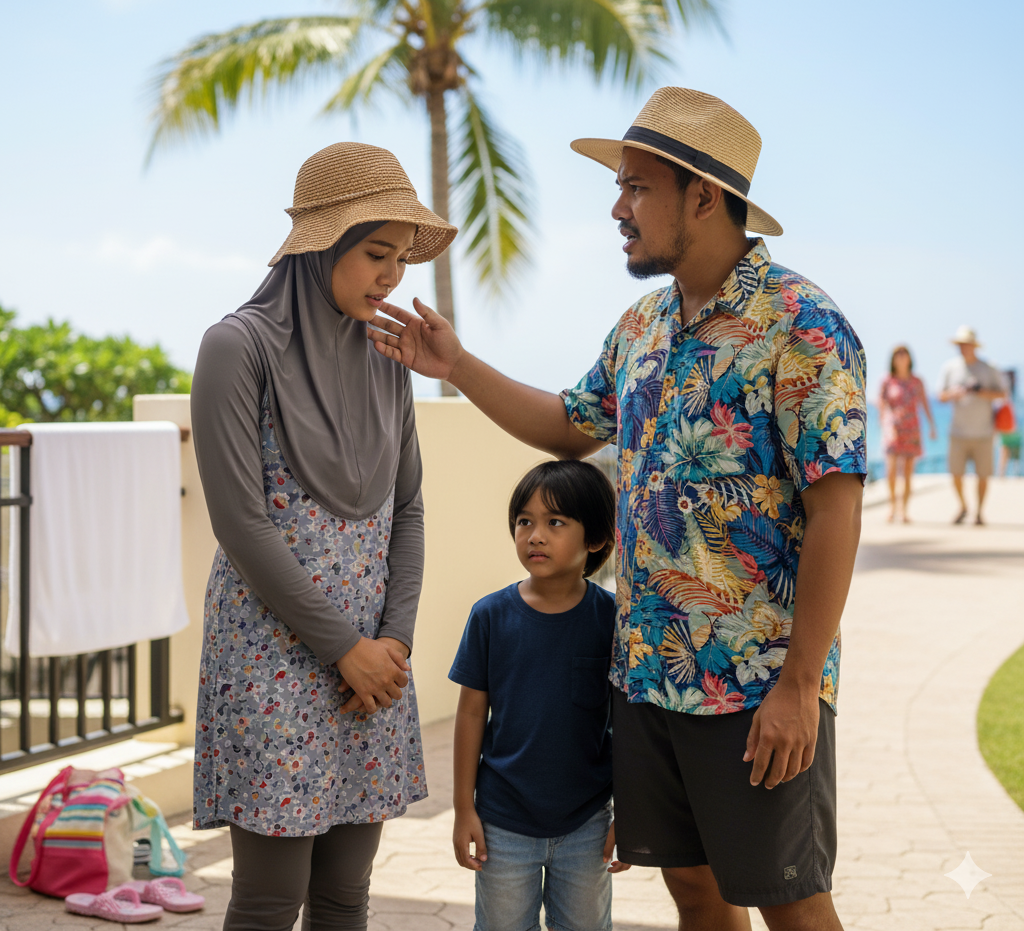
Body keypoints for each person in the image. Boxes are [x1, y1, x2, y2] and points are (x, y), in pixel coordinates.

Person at [369, 88, 866, 931]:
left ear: (702, 196)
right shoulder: (640, 325)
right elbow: (569, 424)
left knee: (787, 897)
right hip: (647, 678)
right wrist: (456, 366)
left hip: (753, 688)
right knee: (695, 890)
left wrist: (799, 683)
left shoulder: (803, 324)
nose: (617, 208)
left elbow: (837, 512)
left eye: (636, 187)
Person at [189, 142, 456, 931]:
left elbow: (406, 510)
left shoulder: (387, 357)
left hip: (371, 667)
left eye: (401, 258)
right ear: (319, 246)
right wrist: (346, 647)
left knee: (345, 895)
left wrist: (392, 645)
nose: (392, 277)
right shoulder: (237, 347)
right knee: (271, 901)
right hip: (276, 657)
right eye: (377, 253)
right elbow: (241, 524)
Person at [449, 460, 628, 931]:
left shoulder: (612, 620)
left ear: (595, 539)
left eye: (555, 522)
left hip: (587, 823)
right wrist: (463, 808)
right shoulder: (489, 616)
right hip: (502, 824)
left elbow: (629, 721)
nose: (535, 535)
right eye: (524, 521)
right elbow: (470, 715)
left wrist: (632, 812)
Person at [938, 326, 1007, 525]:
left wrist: (980, 391)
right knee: (956, 474)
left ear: (974, 346)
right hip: (958, 431)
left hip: (984, 432)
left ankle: (979, 512)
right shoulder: (950, 367)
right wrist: (955, 392)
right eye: (960, 344)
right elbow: (941, 395)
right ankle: (963, 506)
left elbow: (1002, 394)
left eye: (966, 344)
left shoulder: (989, 368)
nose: (963, 348)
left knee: (983, 475)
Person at [878, 345, 936, 522]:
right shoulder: (887, 381)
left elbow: (925, 403)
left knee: (909, 472)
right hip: (893, 429)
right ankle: (892, 506)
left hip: (912, 429)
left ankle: (904, 510)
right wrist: (885, 425)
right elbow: (882, 405)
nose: (902, 358)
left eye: (904, 354)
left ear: (910, 359)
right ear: (893, 359)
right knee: (892, 470)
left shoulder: (917, 381)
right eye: (898, 355)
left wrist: (932, 426)